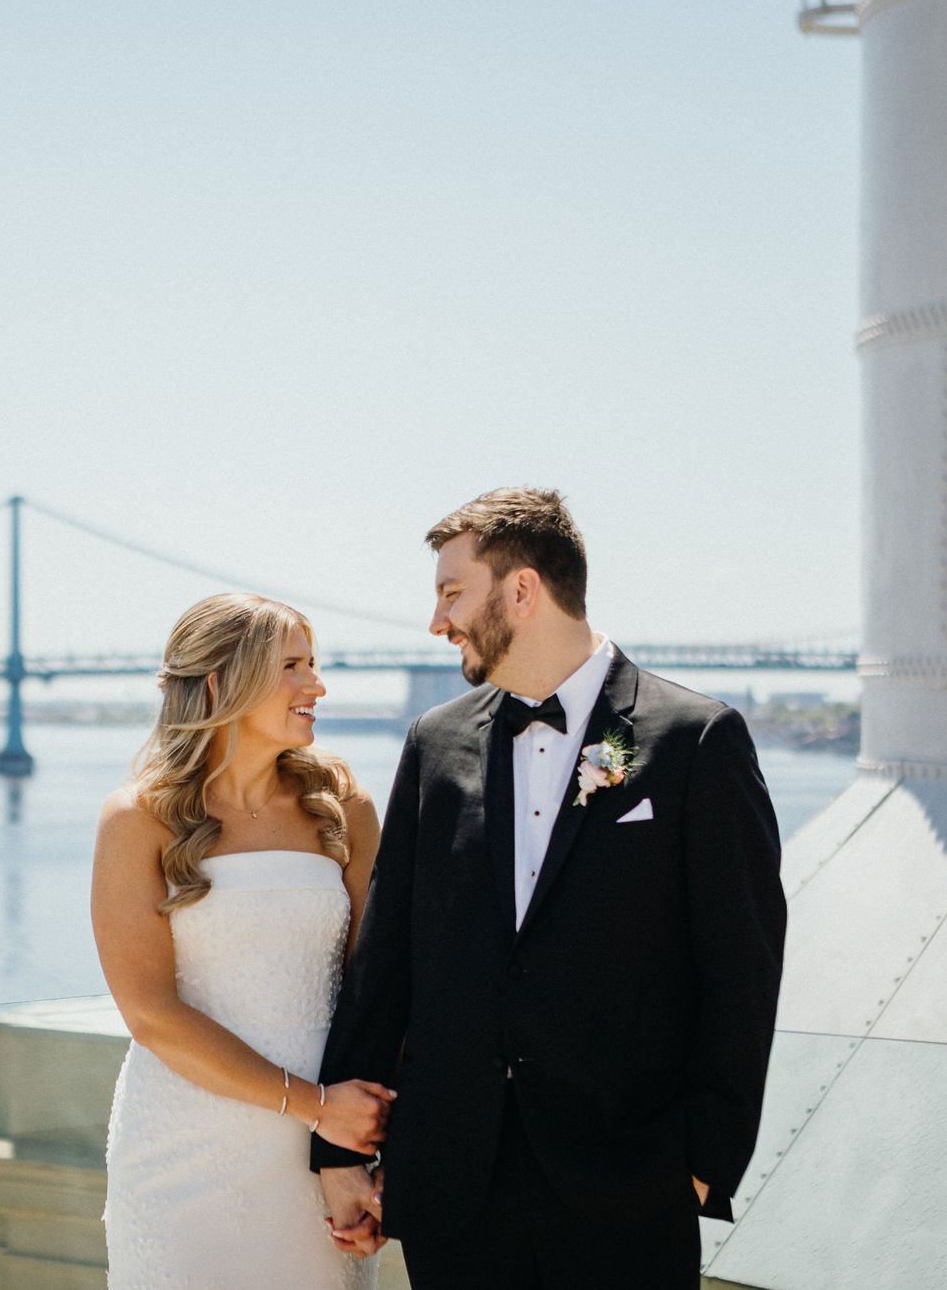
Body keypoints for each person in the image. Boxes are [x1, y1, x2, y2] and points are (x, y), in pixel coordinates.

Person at [313, 487, 787, 1287]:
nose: (437, 622)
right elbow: (387, 955)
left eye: (451, 592)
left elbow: (742, 971)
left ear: (522, 589)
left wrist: (703, 1166)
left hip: (626, 1196)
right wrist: (338, 1153)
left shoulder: (695, 741)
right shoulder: (435, 743)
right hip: (453, 1197)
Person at [94, 592, 392, 1290]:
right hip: (181, 1155)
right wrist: (315, 1103)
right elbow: (150, 1013)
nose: (316, 684)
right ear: (222, 683)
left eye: (313, 664)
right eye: (293, 665)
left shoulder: (346, 808)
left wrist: (345, 1151)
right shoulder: (137, 818)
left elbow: (375, 990)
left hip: (322, 1157)